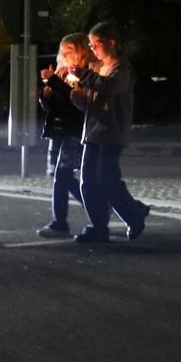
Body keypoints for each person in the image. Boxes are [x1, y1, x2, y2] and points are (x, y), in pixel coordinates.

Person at [67, 21, 151, 243]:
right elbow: (90, 102)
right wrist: (77, 95)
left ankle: (133, 213)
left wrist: (84, 76)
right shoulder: (97, 68)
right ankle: (99, 226)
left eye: (96, 44)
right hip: (92, 133)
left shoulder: (122, 69)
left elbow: (110, 86)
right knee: (87, 181)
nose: (93, 49)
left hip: (112, 132)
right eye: (91, 44)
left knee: (107, 178)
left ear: (111, 43)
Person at [36, 34, 90, 238]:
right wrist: (45, 95)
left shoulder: (82, 74)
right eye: (63, 50)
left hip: (73, 131)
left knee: (62, 175)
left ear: (81, 52)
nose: (65, 55)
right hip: (57, 130)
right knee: (57, 175)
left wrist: (54, 83)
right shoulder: (60, 73)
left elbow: (73, 102)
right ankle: (97, 206)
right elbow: (53, 106)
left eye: (70, 51)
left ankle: (60, 223)